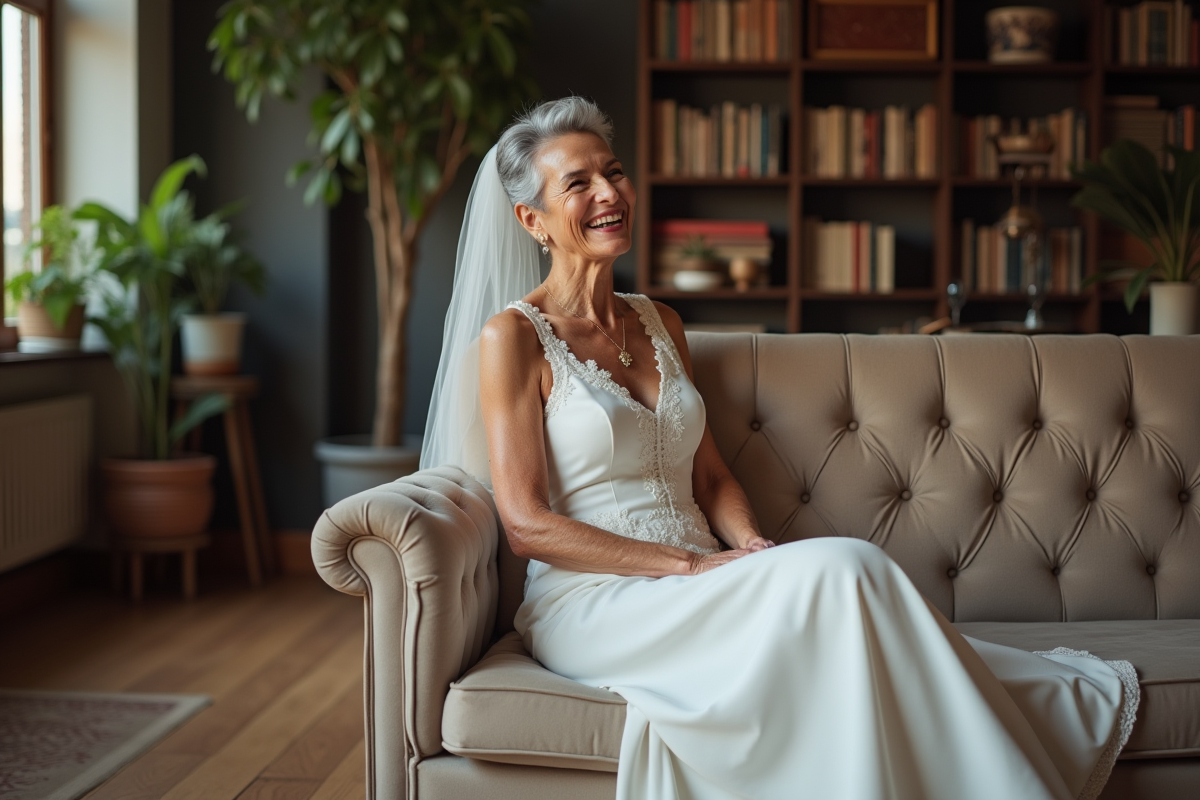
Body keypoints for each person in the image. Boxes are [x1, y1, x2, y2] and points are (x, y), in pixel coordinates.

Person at [422, 97, 1138, 800]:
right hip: (596, 603)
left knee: (842, 591)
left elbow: (708, 474)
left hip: (708, 578)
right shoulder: (512, 338)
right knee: (850, 565)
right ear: (531, 219)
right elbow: (524, 523)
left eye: (613, 172)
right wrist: (693, 565)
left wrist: (754, 548)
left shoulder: (661, 322)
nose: (609, 193)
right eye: (578, 183)